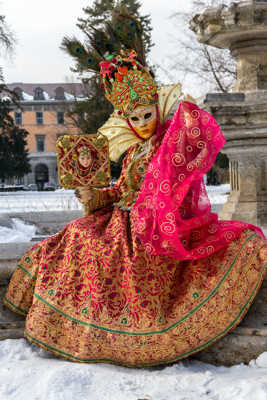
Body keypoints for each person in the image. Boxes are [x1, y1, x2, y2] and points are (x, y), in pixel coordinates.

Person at [4, 14, 267, 367]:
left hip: (155, 226)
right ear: (126, 120)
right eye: (136, 119)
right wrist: (95, 196)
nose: (143, 124)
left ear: (156, 109)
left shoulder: (168, 142)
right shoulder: (132, 150)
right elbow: (122, 189)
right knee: (73, 234)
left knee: (104, 250)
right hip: (122, 219)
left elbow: (190, 150)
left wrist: (186, 118)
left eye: (147, 115)